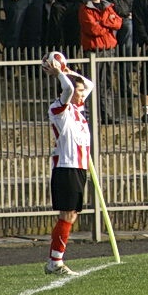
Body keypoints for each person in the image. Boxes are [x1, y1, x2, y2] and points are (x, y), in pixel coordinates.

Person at [43, 59, 95, 276]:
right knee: (67, 214)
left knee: (71, 215)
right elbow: (69, 87)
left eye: (82, 92)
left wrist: (66, 69)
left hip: (79, 167)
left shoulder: (78, 109)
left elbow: (89, 84)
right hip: (66, 166)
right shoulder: (60, 109)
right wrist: (59, 73)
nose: (82, 94)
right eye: (78, 91)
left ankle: (55, 259)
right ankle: (55, 262)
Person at [77, 0, 122, 124]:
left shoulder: (108, 6)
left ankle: (106, 114)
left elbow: (118, 22)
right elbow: (93, 29)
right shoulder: (85, 8)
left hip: (108, 50)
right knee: (91, 84)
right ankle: (89, 115)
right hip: (93, 52)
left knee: (107, 83)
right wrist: (107, 22)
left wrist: (102, 21)